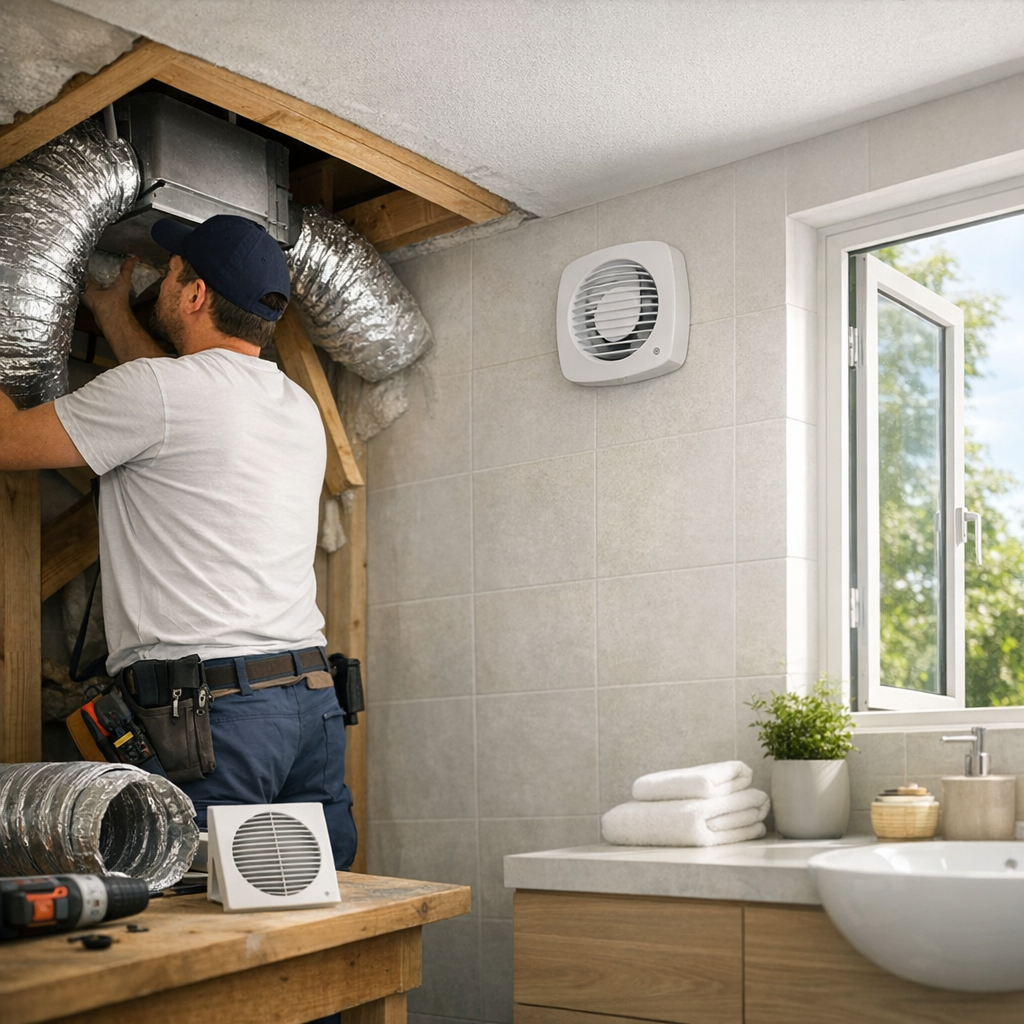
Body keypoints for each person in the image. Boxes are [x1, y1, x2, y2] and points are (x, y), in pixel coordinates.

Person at [0, 214, 357, 875]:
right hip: (309, 705)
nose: (162, 280)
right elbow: (175, 403)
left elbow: (9, 441)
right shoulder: (295, 406)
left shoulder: (160, 392)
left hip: (217, 720)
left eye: (170, 273)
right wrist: (113, 314)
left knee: (197, 902)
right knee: (307, 897)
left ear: (194, 295)